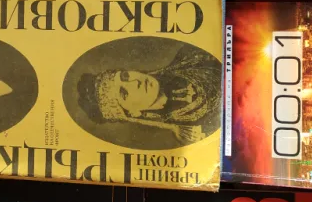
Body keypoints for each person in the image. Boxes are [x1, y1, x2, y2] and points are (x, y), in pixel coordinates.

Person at [77, 43, 221, 146]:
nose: (135, 82)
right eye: (124, 93)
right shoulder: (192, 136)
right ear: (132, 113)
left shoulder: (191, 54)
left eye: (125, 76)